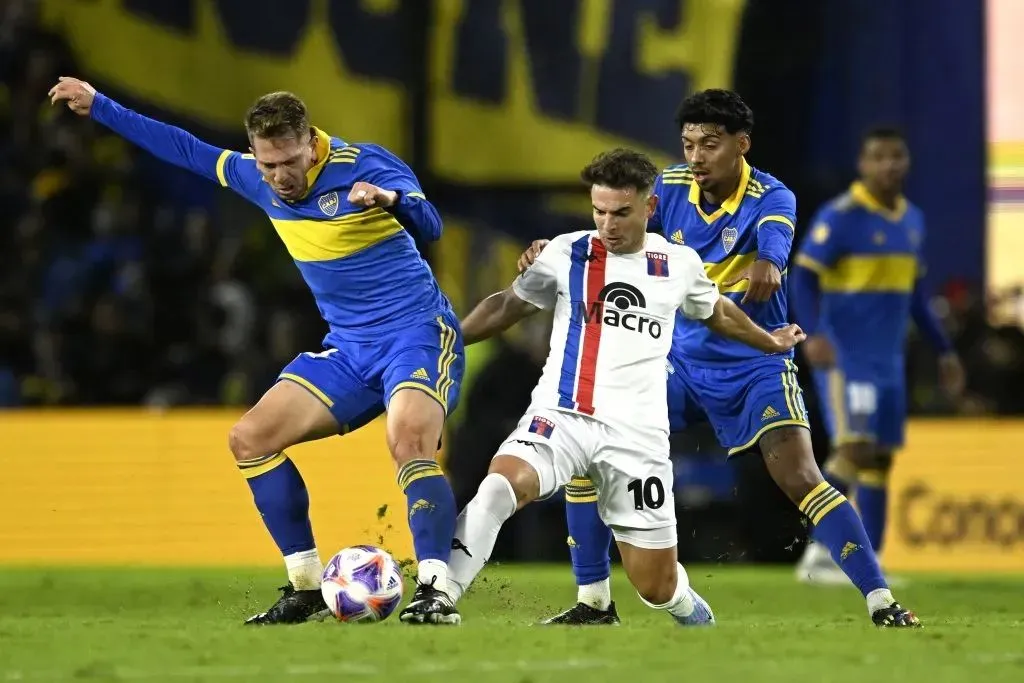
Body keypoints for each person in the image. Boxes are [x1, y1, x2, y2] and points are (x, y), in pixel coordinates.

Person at [49, 77, 463, 626]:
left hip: (416, 332)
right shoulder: (255, 177)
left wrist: (389, 201)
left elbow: (430, 223)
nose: (279, 176)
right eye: (268, 164)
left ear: (310, 144)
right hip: (349, 349)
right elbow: (183, 148)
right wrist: (101, 107)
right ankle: (306, 588)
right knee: (250, 439)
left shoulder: (364, 165)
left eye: (289, 162)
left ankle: (436, 591)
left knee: (408, 441)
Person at [519, 90, 920, 627]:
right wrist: (554, 248)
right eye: (688, 144)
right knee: (588, 449)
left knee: (802, 477)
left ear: (741, 144)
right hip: (678, 363)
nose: (696, 156)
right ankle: (594, 603)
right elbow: (613, 228)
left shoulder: (771, 195)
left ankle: (882, 602)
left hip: (754, 364)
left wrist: (770, 262)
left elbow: (776, 239)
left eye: (709, 144)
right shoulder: (668, 187)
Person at [445, 148, 805, 625]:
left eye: (620, 213)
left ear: (649, 207)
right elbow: (507, 305)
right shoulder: (566, 252)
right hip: (562, 415)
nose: (607, 225)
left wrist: (768, 341)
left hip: (637, 438)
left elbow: (717, 311)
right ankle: (439, 596)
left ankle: (693, 615)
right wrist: (447, 338)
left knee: (657, 587)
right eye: (599, 211)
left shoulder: (677, 263)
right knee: (499, 486)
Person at [791, 126, 965, 583]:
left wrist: (944, 350)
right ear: (863, 164)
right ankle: (818, 555)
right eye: (879, 157)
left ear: (907, 162)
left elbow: (916, 295)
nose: (889, 165)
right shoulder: (841, 216)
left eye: (897, 156)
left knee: (880, 459)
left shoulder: (912, 220)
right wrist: (813, 333)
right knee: (855, 448)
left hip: (888, 362)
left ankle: (870, 561)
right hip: (847, 359)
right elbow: (802, 277)